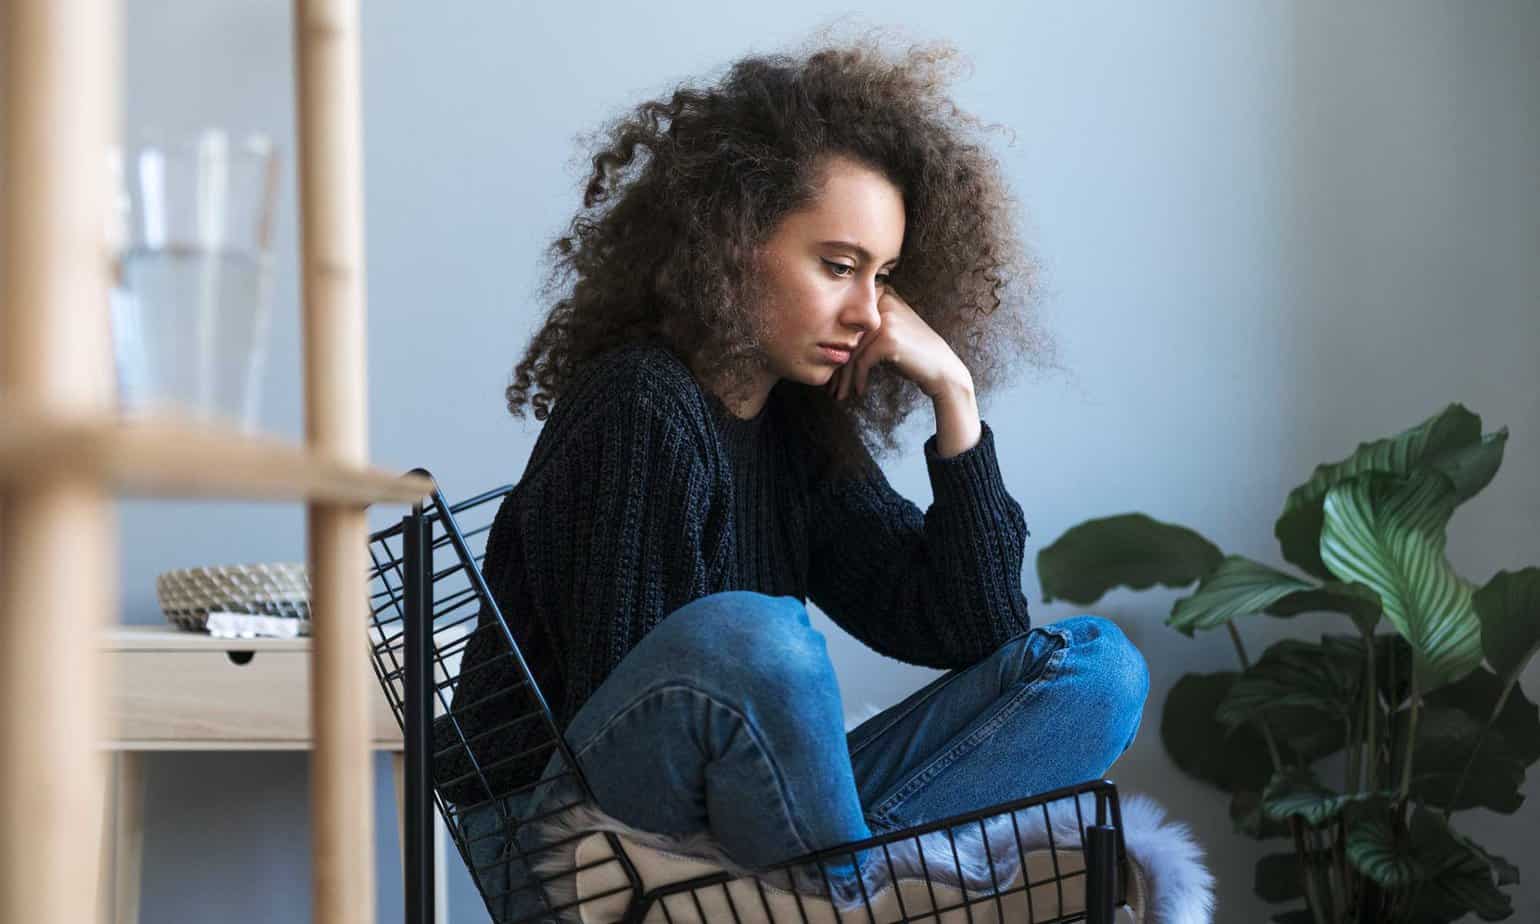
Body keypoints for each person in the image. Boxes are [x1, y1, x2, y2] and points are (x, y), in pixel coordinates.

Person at [437, 30, 1150, 922]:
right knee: (757, 638)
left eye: (884, 277)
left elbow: (973, 629)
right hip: (577, 844)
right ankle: (849, 897)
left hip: (746, 853)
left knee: (1098, 673)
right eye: (839, 267)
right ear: (731, 245)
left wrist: (954, 395)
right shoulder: (638, 403)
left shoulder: (795, 431)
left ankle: (833, 899)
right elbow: (637, 708)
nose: (869, 312)